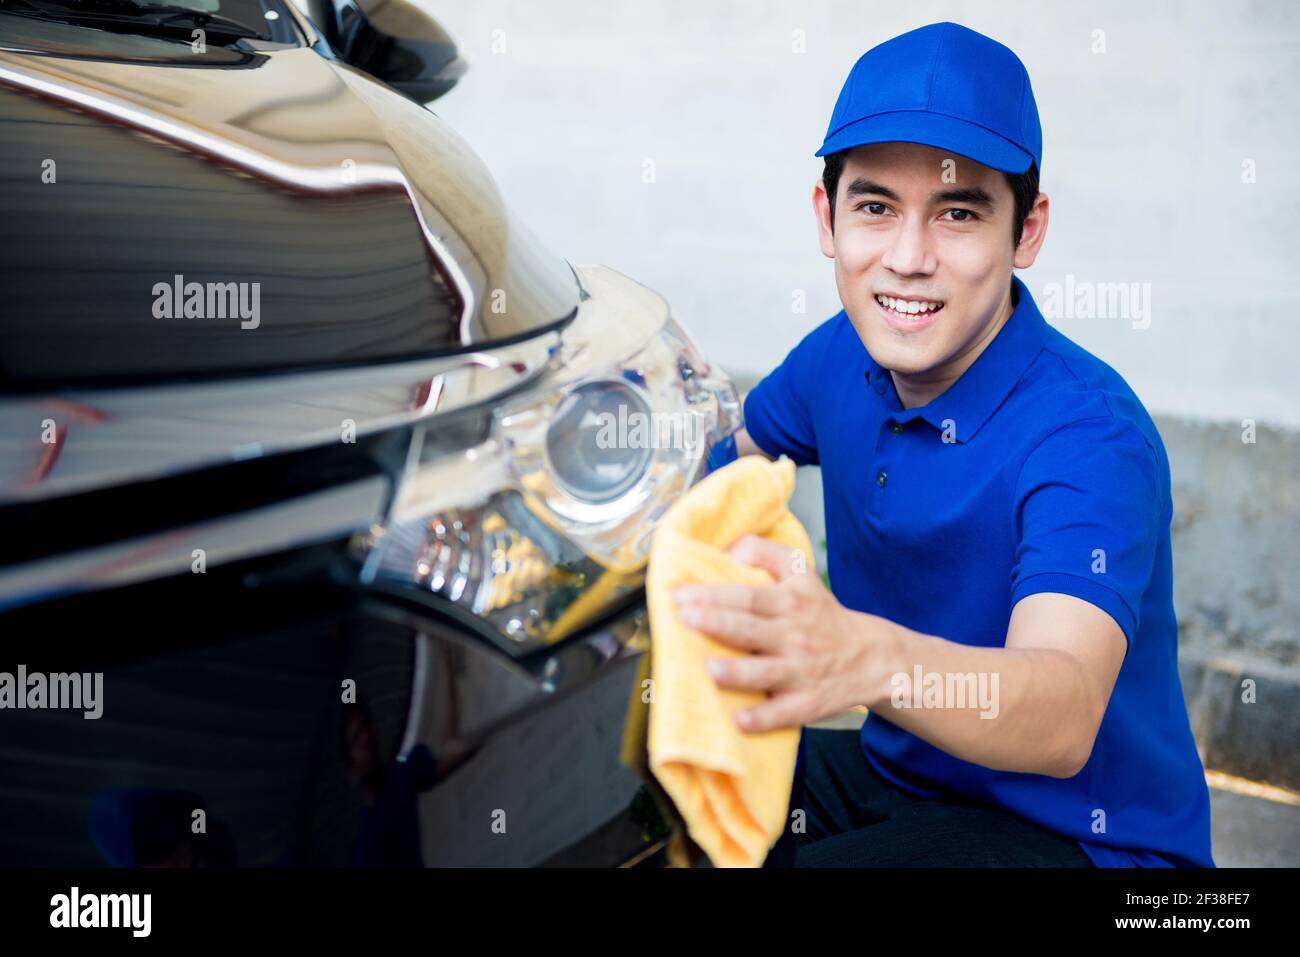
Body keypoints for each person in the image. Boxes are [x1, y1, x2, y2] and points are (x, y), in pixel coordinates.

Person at [681, 22, 1213, 867]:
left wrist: (862, 656)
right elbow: (710, 474)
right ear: (828, 217)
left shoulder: (1089, 436)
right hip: (906, 778)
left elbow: (1064, 710)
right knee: (657, 799)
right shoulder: (838, 357)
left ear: (1026, 231)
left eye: (958, 212)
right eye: (875, 207)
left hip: (1085, 843)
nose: (908, 257)